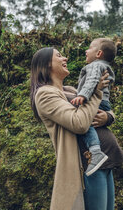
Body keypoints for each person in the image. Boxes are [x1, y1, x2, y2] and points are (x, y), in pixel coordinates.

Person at [30, 47, 111, 210]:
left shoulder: (72, 91)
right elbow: (79, 123)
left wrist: (109, 117)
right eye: (59, 56)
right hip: (85, 165)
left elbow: (100, 109)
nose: (65, 58)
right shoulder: (44, 94)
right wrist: (95, 93)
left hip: (104, 162)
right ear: (47, 65)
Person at [71, 38, 117, 177]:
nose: (86, 50)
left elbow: (92, 81)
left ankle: (95, 151)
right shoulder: (104, 66)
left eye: (90, 48)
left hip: (95, 100)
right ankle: (96, 151)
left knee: (87, 123)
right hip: (103, 102)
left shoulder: (95, 66)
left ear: (98, 54)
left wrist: (84, 95)